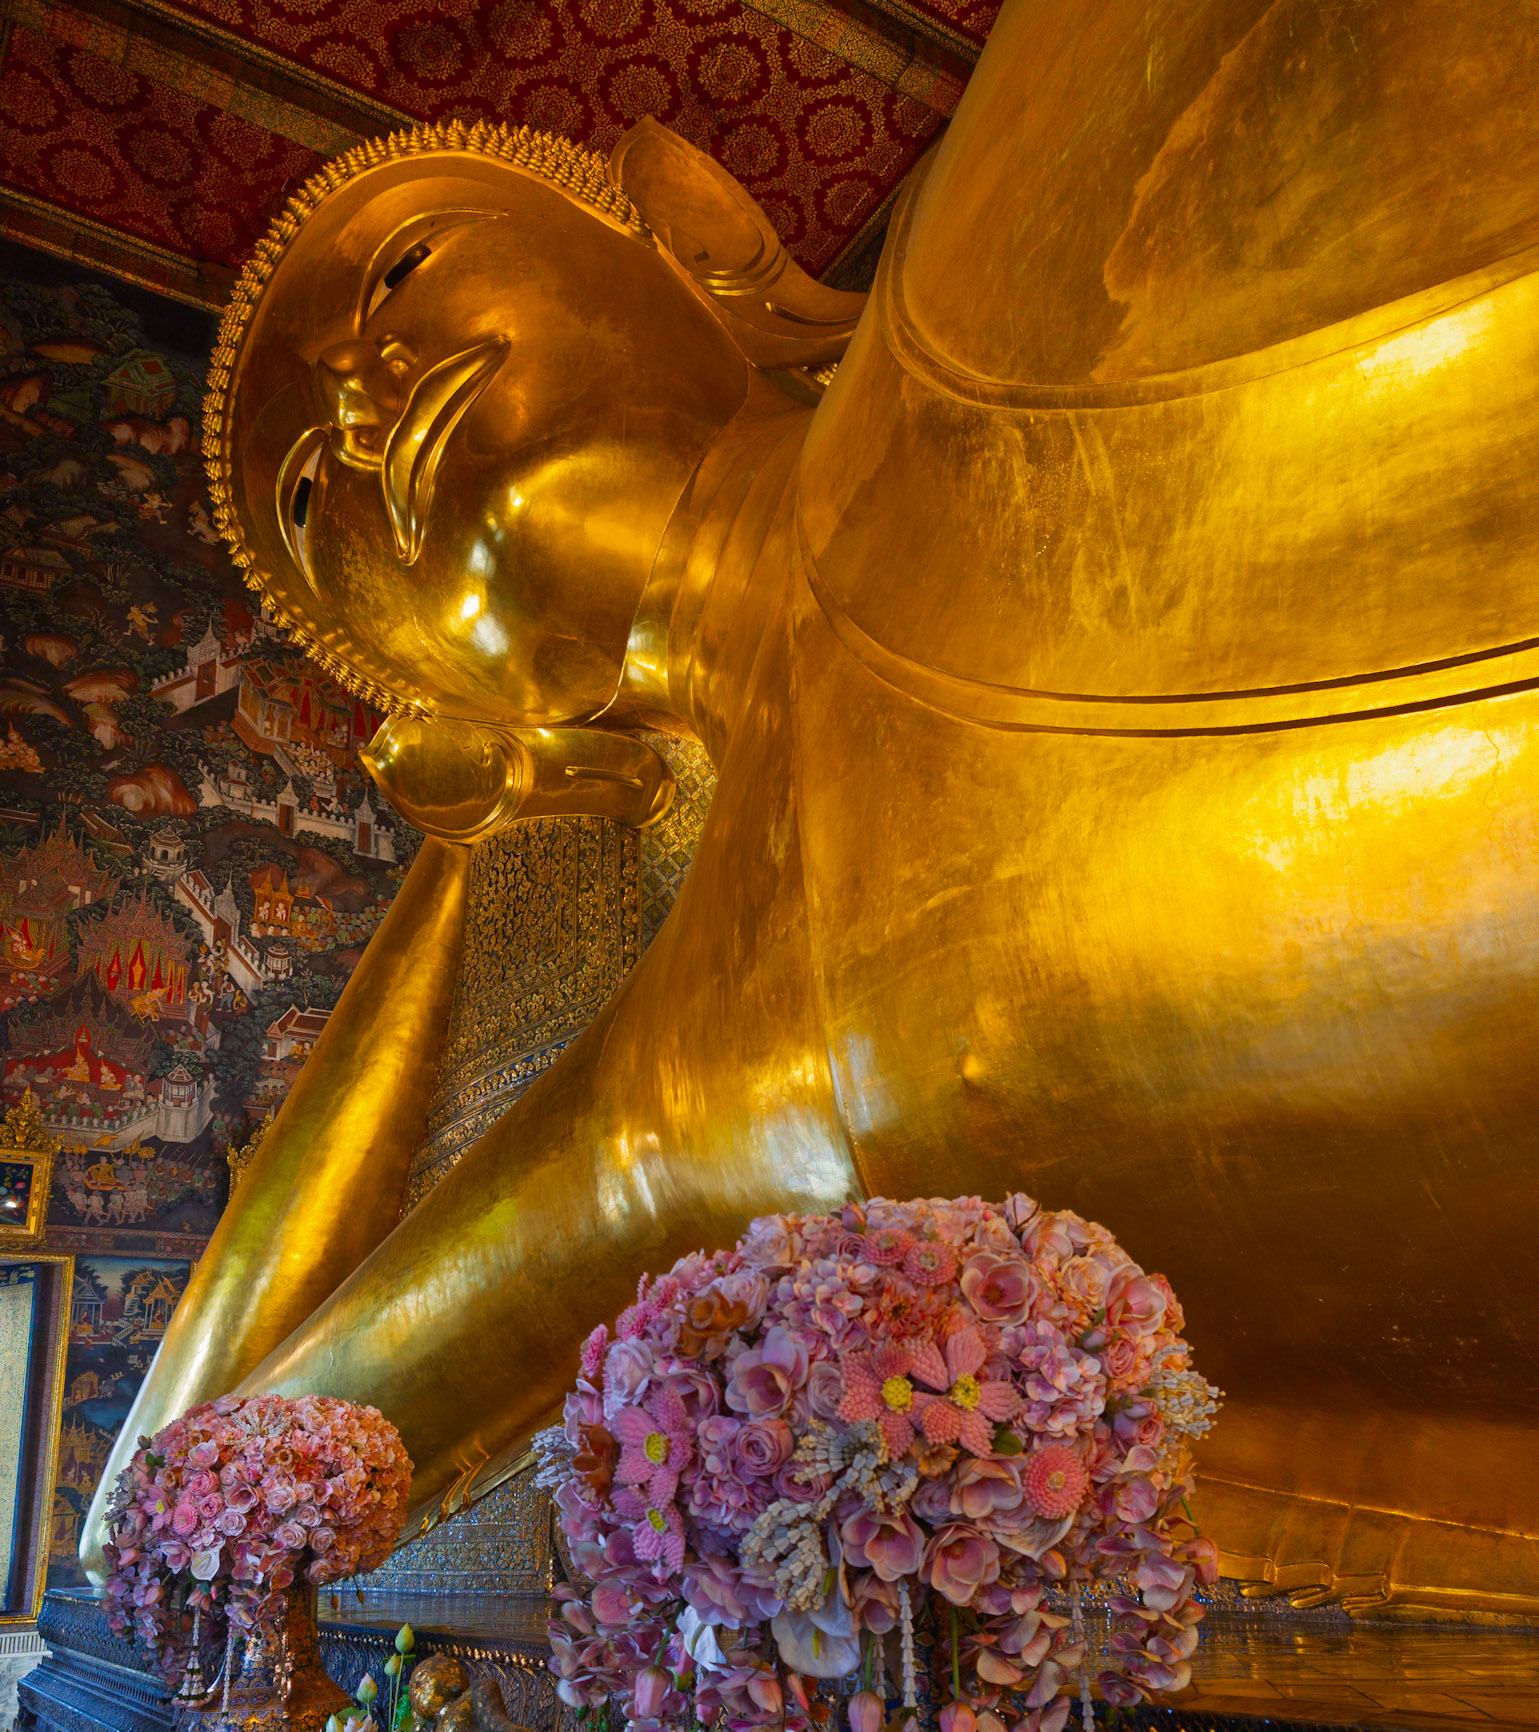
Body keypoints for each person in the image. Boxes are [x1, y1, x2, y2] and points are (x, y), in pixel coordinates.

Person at [87, 0, 1539, 1614]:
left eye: (405, 270)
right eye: (320, 506)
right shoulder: (702, 1065)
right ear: (450, 689)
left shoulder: (1038, 192)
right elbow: (178, 1499)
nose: (363, 404)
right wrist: (471, 834)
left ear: (703, 244)